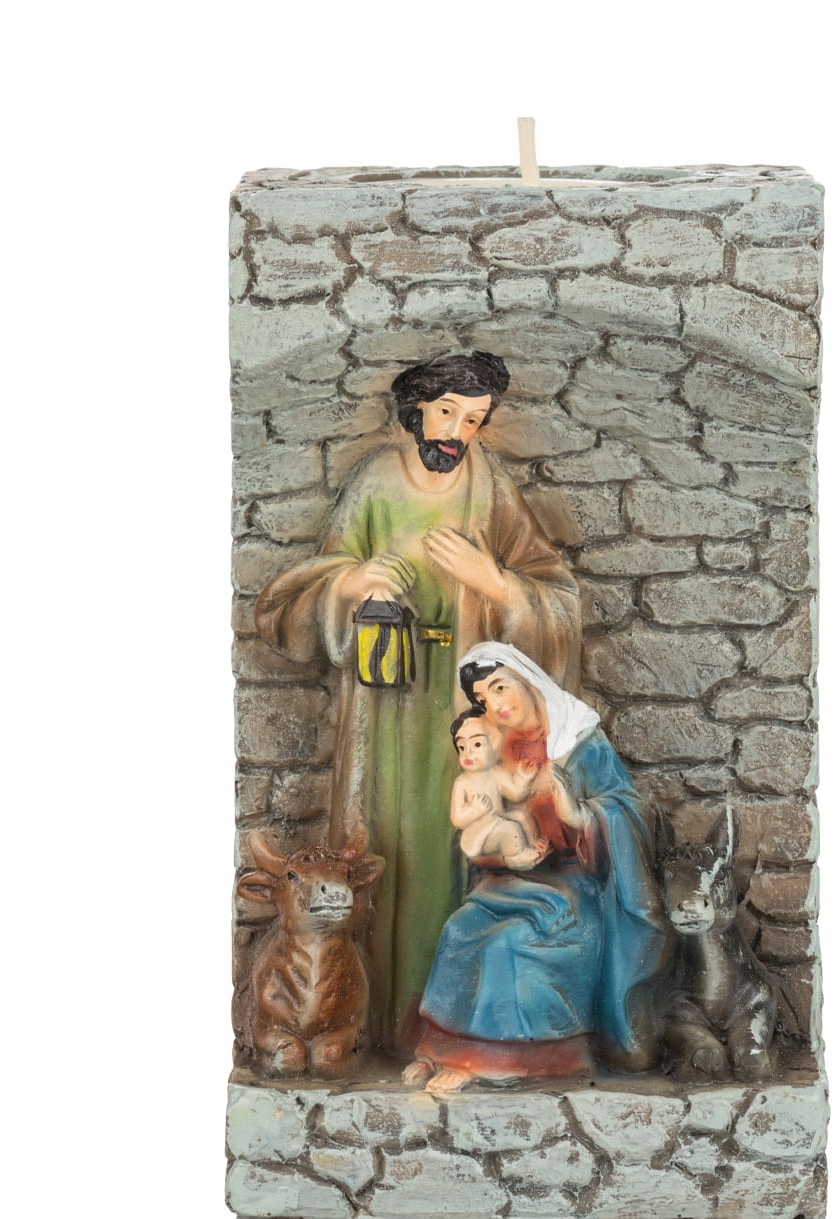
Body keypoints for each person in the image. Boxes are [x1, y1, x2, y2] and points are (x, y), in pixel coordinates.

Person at [253, 353, 579, 1050]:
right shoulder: (378, 480)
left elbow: (557, 597)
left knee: (455, 840)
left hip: (462, 711)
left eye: (475, 420)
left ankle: (444, 1029)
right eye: (448, 413)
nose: (458, 432)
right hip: (384, 703)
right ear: (417, 409)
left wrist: (495, 584)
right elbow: (292, 602)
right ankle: (366, 1024)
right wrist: (352, 582)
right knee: (380, 837)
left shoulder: (488, 486)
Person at [404, 643, 667, 1095]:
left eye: (500, 687)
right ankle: (444, 1051)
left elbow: (630, 812)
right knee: (459, 929)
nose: (497, 705)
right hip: (511, 881)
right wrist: (499, 850)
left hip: (576, 890)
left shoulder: (580, 742)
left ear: (527, 680)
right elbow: (485, 820)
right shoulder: (497, 749)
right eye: (484, 699)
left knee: (510, 944)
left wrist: (580, 814)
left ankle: (501, 1059)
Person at [448, 712, 551, 872]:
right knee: (509, 829)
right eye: (462, 747)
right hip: (478, 835)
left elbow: (515, 793)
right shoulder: (462, 783)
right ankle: (517, 858)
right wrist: (475, 810)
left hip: (497, 819)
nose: (468, 753)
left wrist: (523, 777)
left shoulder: (495, 772)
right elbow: (457, 819)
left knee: (522, 817)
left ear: (494, 746)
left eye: (477, 744)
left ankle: (533, 843)